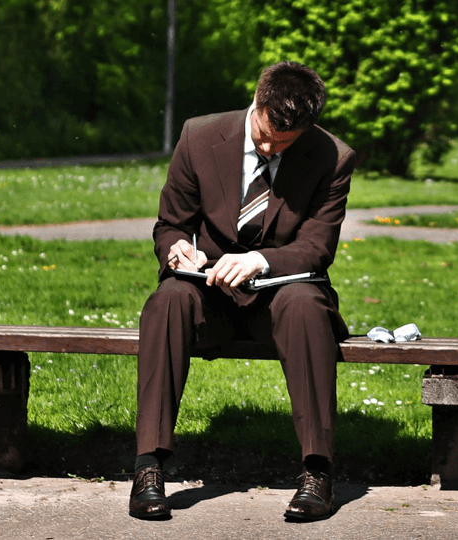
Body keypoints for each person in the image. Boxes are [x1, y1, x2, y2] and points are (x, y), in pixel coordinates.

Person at [129, 61, 354, 522]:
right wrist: (176, 251)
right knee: (167, 301)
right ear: (257, 101)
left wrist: (262, 259)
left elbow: (316, 247)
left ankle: (317, 472)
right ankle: (148, 467)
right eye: (264, 134)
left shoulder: (333, 158)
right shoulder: (199, 136)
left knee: (306, 307)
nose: (270, 148)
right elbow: (171, 223)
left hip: (281, 297)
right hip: (207, 293)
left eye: (284, 144)